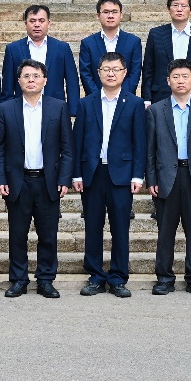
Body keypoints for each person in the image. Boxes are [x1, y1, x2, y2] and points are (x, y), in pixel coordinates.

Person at [0, 59, 74, 299]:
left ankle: (46, 279)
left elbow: (67, 148)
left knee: (48, 235)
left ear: (44, 80)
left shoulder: (58, 107)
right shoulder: (7, 108)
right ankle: (18, 279)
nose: (31, 80)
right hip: (18, 181)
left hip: (48, 181)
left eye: (36, 76)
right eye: (26, 76)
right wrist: (0, 178)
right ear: (18, 81)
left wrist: (64, 178)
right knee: (17, 235)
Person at [74, 52, 147, 298]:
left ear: (125, 73)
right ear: (99, 73)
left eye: (116, 69)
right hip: (93, 173)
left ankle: (118, 277)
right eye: (106, 69)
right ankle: (95, 276)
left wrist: (138, 175)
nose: (111, 73)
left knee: (120, 228)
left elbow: (140, 142)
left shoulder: (134, 103)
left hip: (122, 174)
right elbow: (77, 141)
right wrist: (76, 174)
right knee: (93, 226)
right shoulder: (86, 103)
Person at [146, 59, 191, 296]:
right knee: (165, 232)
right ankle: (164, 278)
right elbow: (150, 149)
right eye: (175, 76)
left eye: (185, 76)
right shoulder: (156, 110)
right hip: (166, 176)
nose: (180, 81)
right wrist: (152, 179)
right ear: (168, 81)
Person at [0, 4, 81, 116]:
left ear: (48, 23)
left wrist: (73, 111)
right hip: (23, 108)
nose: (37, 24)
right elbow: (7, 85)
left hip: (55, 108)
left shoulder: (62, 48)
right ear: (25, 24)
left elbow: (72, 82)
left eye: (41, 21)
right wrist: (8, 111)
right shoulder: (13, 49)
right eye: (32, 21)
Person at [79, 0, 142, 97]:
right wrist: (98, 97)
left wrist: (122, 96)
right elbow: (86, 74)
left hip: (126, 100)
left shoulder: (133, 42)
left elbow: (135, 73)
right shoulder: (88, 43)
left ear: (121, 15)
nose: (110, 16)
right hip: (96, 99)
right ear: (98, 15)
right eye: (106, 12)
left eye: (114, 12)